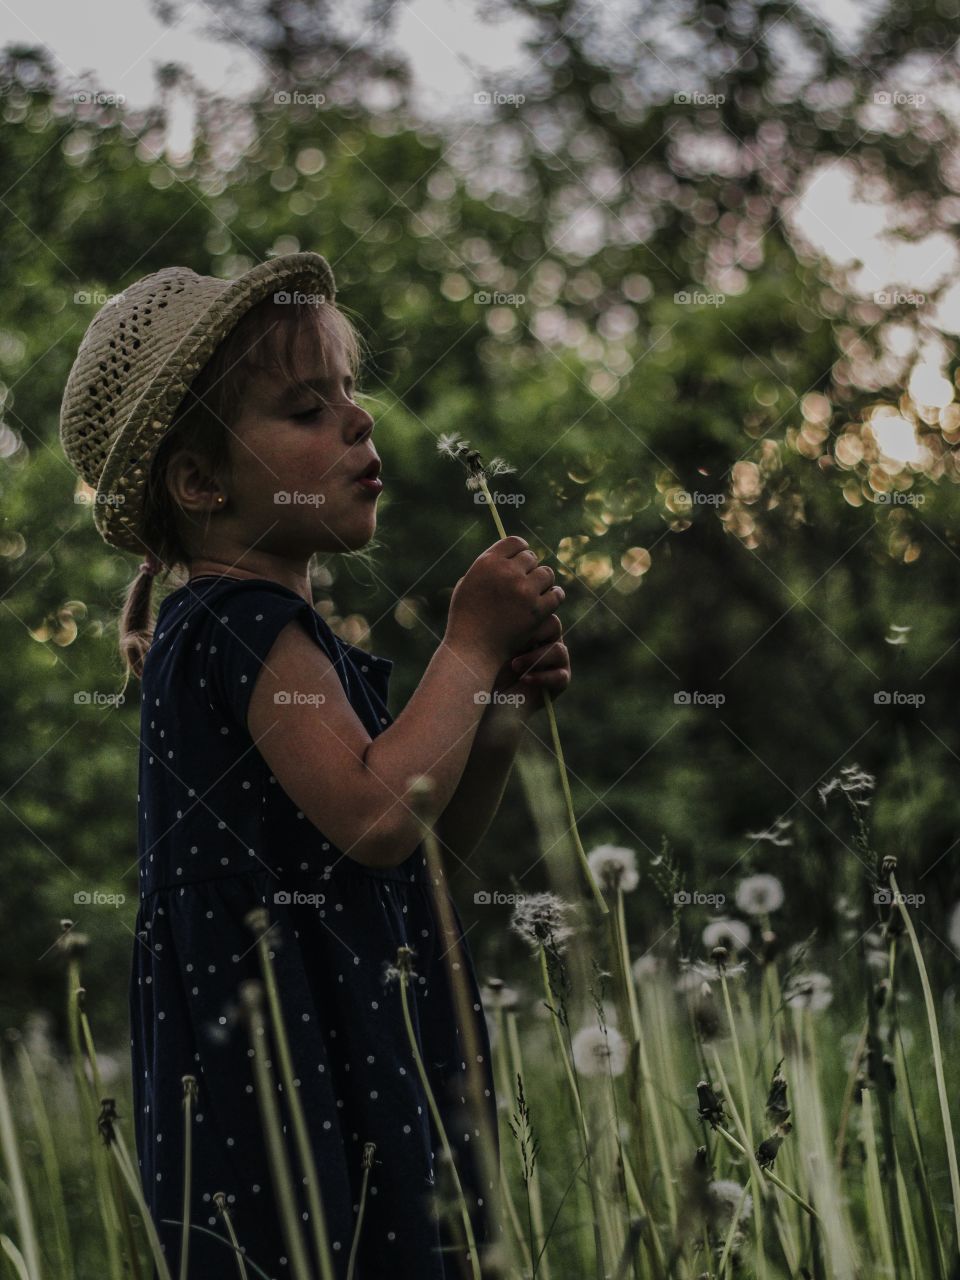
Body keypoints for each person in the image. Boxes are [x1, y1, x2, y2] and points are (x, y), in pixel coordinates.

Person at [58, 253, 572, 1279]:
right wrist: (467, 645)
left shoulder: (285, 637)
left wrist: (501, 703)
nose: (358, 421)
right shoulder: (240, 624)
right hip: (283, 1074)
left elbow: (417, 853)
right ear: (202, 481)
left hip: (335, 1049)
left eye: (351, 393)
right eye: (306, 407)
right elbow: (380, 815)